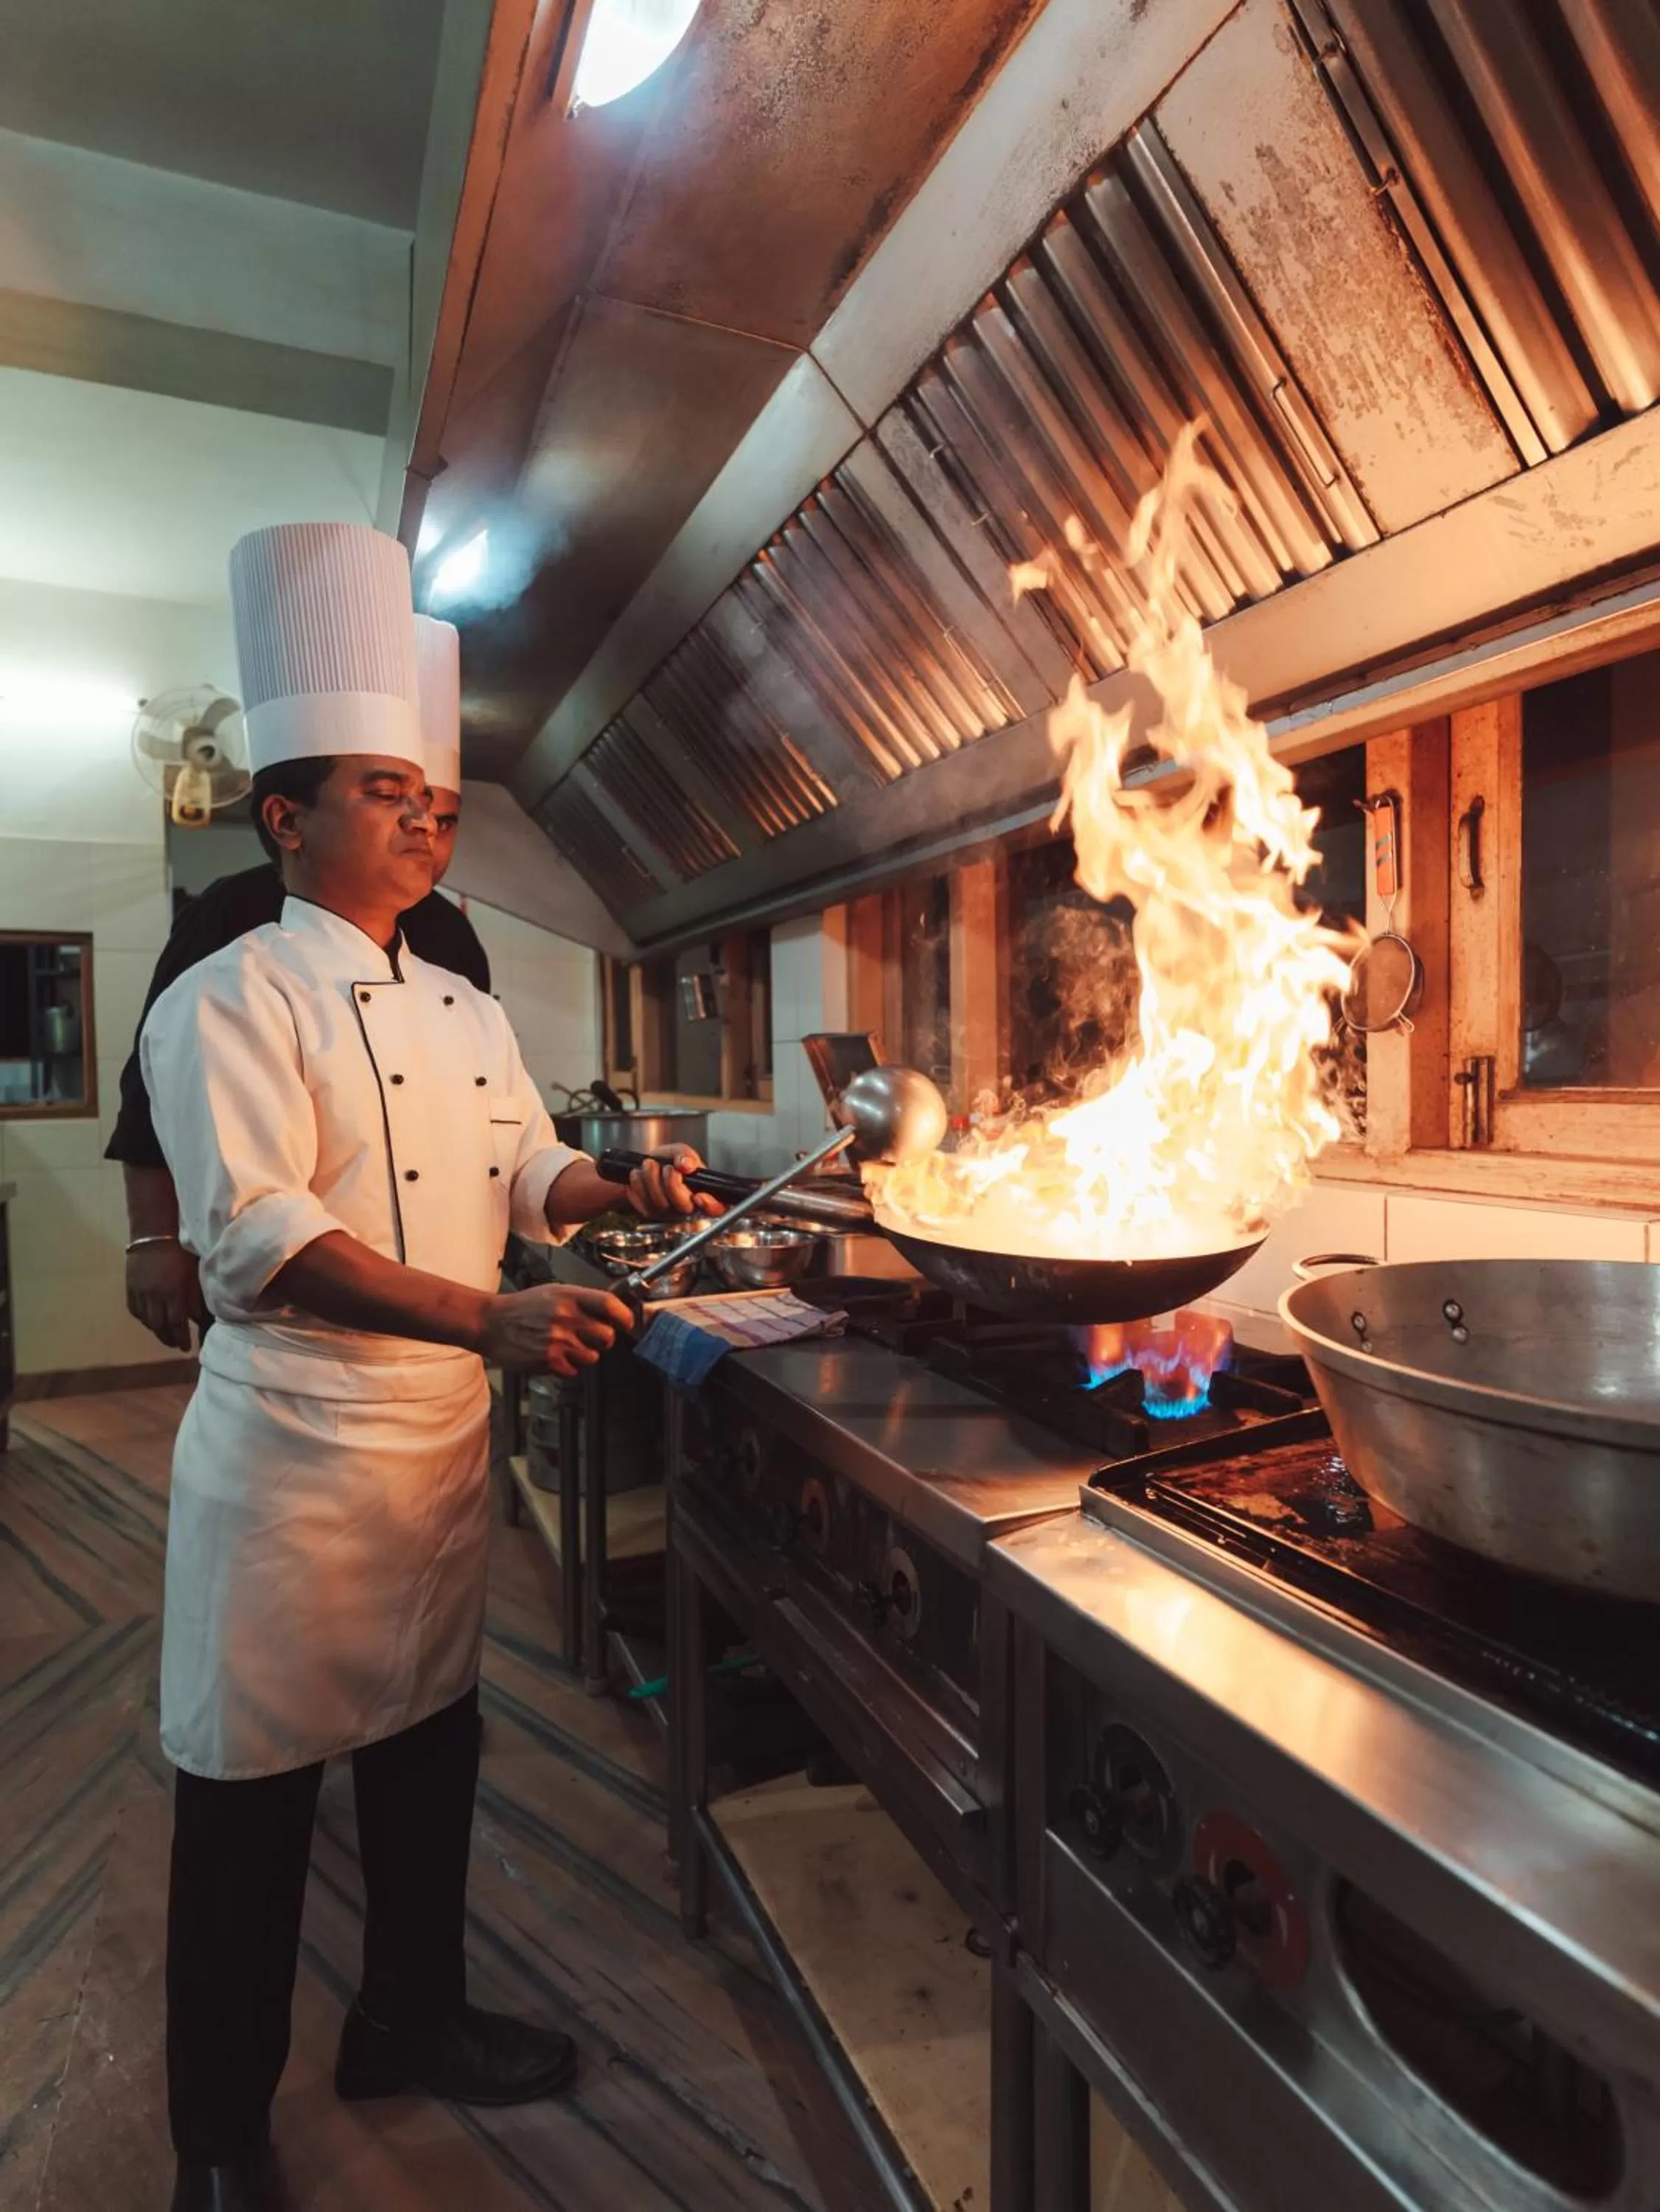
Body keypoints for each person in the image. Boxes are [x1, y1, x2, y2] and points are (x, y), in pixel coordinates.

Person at [141, 521, 718, 2212]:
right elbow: (249, 1236)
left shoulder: (463, 1005)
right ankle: (220, 2136)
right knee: (247, 1816)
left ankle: (406, 2016)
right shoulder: (227, 1000)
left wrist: (613, 1185)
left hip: (437, 1457)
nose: (426, 813)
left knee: (424, 1762)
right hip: (294, 1462)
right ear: (284, 816)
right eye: (387, 788)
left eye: (436, 793)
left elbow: (525, 1168)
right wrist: (491, 1316)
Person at [108, 613, 487, 1354]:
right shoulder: (231, 919)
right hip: (289, 1317)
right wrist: (154, 1237)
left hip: (431, 1307)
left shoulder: (451, 940)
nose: (424, 834)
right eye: (394, 800)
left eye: (442, 819)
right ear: (288, 822)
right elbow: (147, 1089)